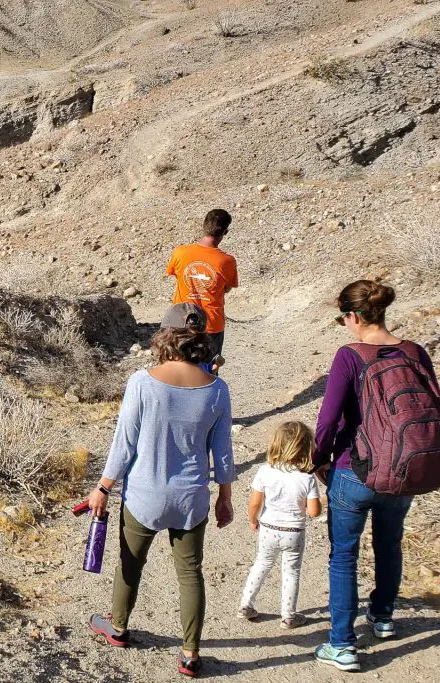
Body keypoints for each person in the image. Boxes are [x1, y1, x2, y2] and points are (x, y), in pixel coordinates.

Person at [87, 303, 235, 678]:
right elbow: (223, 452)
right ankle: (190, 654)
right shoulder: (217, 390)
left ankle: (118, 627)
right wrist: (226, 497)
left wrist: (104, 486)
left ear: (164, 337)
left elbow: (125, 444)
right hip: (191, 499)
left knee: (130, 564)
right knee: (190, 574)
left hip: (144, 496)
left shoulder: (142, 381)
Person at [312, 280, 440, 672]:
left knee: (344, 556)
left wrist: (318, 458)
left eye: (343, 318)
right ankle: (383, 617)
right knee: (390, 544)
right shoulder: (415, 352)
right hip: (403, 468)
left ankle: (342, 644)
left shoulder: (349, 356)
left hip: (355, 471)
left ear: (353, 316)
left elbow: (329, 417)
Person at [237, 421, 322, 628]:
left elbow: (255, 503)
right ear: (306, 449)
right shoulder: (306, 478)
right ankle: (288, 615)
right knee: (291, 571)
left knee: (261, 563)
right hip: (294, 531)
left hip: (268, 528)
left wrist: (252, 520)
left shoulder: (265, 471)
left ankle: (246, 605)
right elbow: (314, 512)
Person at [166, 209, 239, 368]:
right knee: (208, 373)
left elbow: (176, 275)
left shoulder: (180, 252)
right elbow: (225, 288)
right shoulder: (227, 261)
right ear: (225, 232)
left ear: (204, 226)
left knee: (175, 370)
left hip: (180, 321)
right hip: (212, 325)